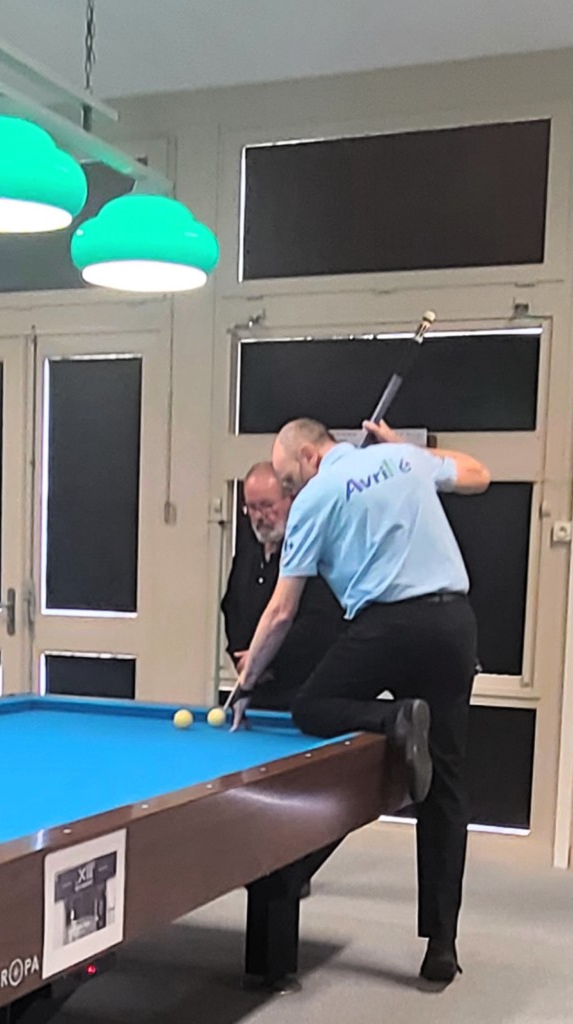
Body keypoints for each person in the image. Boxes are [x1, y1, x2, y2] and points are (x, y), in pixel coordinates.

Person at [228, 419, 490, 985]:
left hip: (387, 625)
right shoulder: (406, 460)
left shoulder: (314, 497)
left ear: (307, 454)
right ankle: (441, 946)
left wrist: (244, 684)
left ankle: (396, 718)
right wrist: (403, 447)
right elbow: (478, 474)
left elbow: (281, 610)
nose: (290, 488)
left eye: (288, 478)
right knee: (446, 783)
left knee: (312, 706)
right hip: (453, 623)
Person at [221, 461, 344, 712]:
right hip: (256, 693)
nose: (259, 516)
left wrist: (264, 659)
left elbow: (318, 623)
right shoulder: (247, 550)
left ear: (291, 500)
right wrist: (241, 657)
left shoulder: (311, 551)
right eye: (252, 507)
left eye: (267, 505)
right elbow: (232, 606)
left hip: (303, 693)